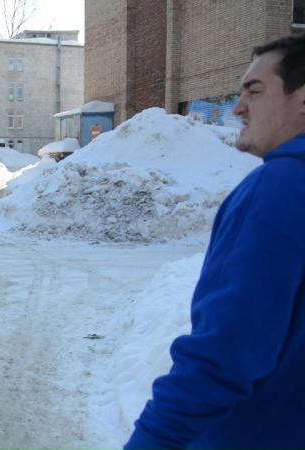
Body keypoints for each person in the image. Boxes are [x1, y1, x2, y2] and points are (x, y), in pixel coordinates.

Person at [124, 33, 305, 449]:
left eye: (254, 91)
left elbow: (225, 353)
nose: (238, 108)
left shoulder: (278, 191)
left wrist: (152, 441)